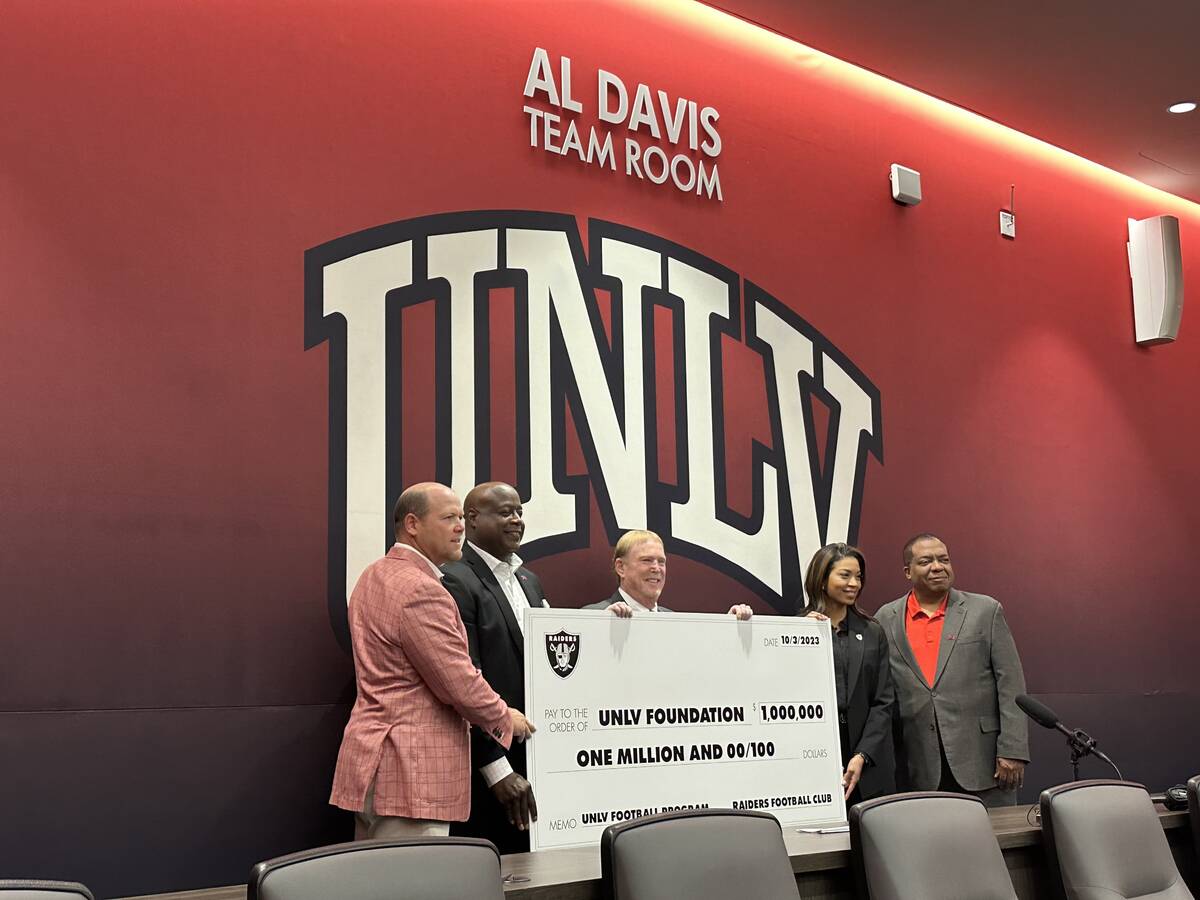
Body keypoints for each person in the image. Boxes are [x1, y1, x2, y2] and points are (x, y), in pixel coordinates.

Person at [329, 482, 534, 838]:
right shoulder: (421, 589)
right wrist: (506, 717)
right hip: (411, 779)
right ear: (412, 524)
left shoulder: (373, 574)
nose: (460, 527)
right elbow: (458, 682)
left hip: (373, 769)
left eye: (460, 517)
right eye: (449, 518)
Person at [875, 533, 1029, 806]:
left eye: (943, 559)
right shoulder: (885, 618)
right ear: (907, 571)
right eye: (926, 561)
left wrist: (1013, 749)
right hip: (917, 767)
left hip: (984, 764)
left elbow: (1012, 685)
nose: (937, 566)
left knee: (992, 847)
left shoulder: (985, 610)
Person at [442, 481, 546, 853]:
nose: (516, 520)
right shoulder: (455, 578)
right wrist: (496, 769)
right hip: (491, 775)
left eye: (519, 512)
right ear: (472, 519)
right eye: (505, 512)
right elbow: (464, 682)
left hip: (537, 761)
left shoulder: (529, 580)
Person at [802, 543, 896, 800]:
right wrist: (801, 635)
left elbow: (883, 701)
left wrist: (862, 754)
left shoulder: (872, 632)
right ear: (822, 580)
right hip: (815, 758)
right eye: (845, 575)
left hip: (868, 759)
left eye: (858, 577)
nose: (854, 583)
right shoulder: (796, 629)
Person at [583, 529, 753, 619]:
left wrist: (729, 628)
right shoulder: (592, 616)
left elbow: (698, 665)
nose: (657, 568)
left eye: (661, 561)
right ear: (621, 567)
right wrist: (601, 628)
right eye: (647, 560)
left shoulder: (673, 621)